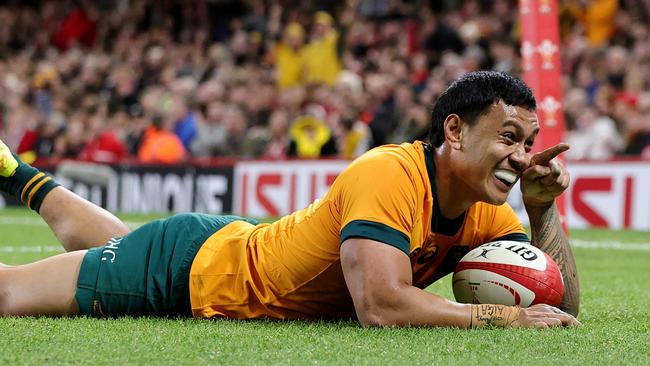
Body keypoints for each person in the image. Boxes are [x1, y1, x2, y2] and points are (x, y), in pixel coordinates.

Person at [0, 71, 580, 328]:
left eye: (528, 144)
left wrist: (542, 210)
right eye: (508, 139)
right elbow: (381, 307)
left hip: (227, 244)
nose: (523, 158)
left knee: (119, 246)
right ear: (453, 131)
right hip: (191, 271)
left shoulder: (490, 209)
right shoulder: (389, 173)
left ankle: (13, 172)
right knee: (10, 293)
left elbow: (559, 307)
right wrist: (504, 318)